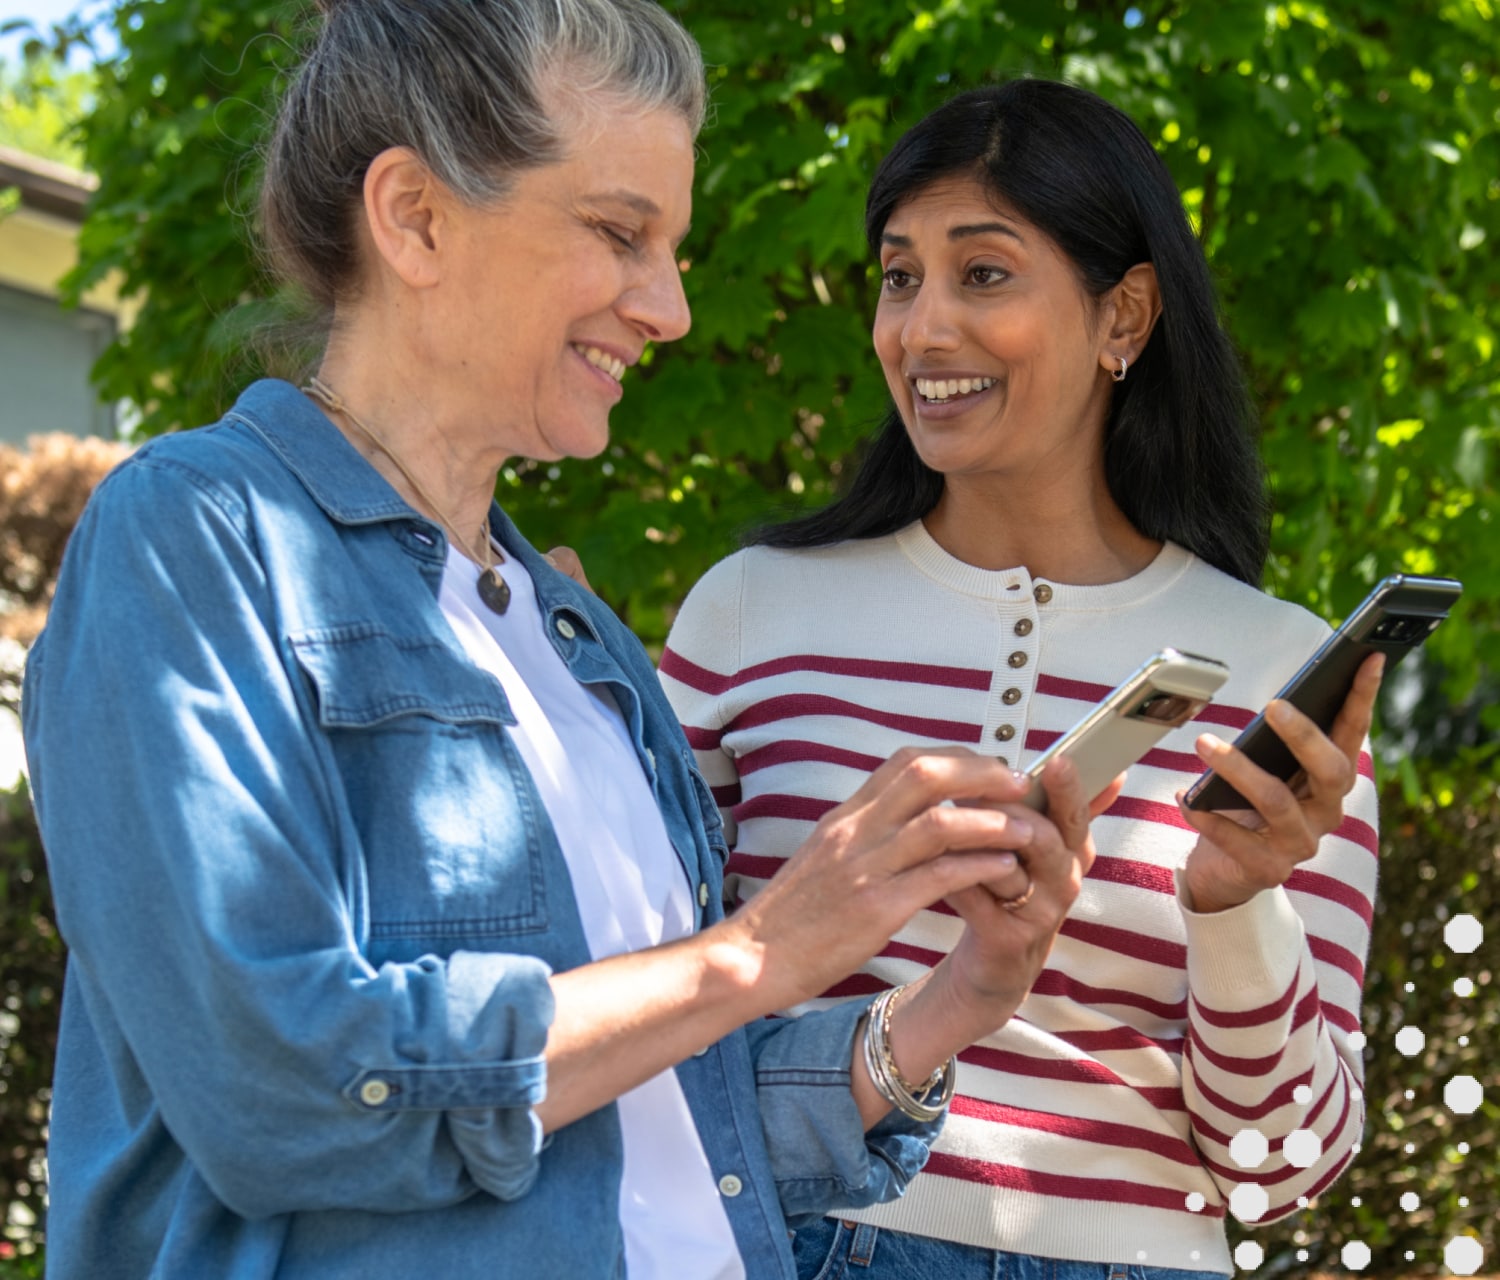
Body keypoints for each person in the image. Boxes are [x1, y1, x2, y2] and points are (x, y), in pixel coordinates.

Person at [21, 13, 1114, 1280]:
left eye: (673, 248)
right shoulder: (197, 536)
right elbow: (286, 1089)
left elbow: (660, 1141)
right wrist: (755, 951)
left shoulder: (577, 636)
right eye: (617, 233)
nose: (670, 307)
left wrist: (944, 1011)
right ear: (416, 216)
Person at [662, 79, 1382, 1280]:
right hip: (785, 1243)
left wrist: (1236, 903)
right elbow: (654, 1015)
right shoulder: (751, 612)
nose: (923, 327)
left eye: (983, 273)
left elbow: (1279, 1166)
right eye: (900, 277)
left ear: (1126, 317)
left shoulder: (1276, 667)